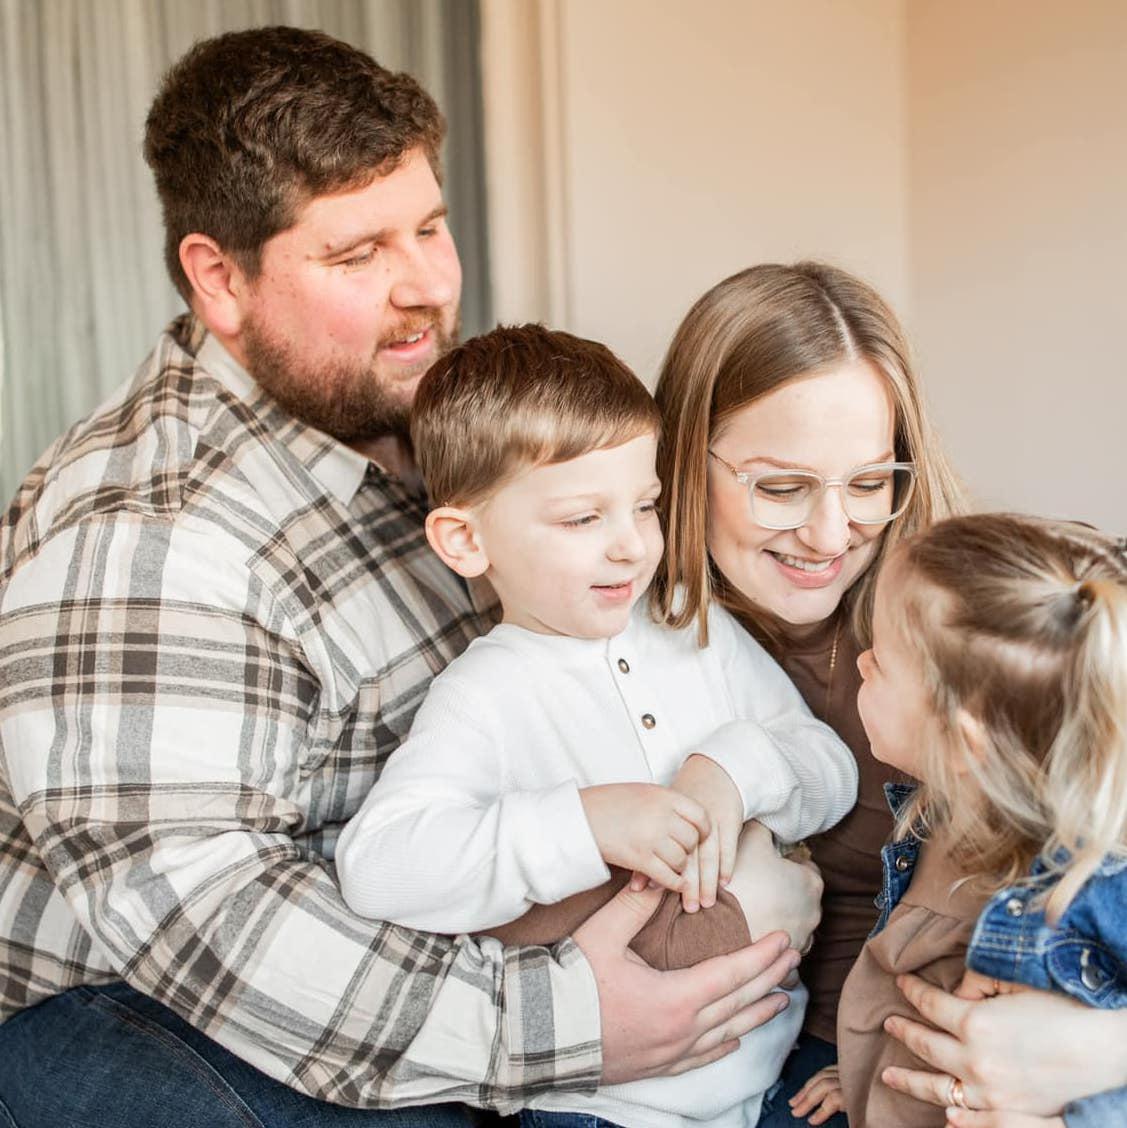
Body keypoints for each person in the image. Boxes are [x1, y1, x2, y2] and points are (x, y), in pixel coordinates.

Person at [0, 28, 799, 1127]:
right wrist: (569, 1025)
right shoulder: (151, 539)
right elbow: (205, 919)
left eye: (428, 226)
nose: (426, 285)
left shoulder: (414, 408)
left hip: (440, 938)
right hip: (146, 1023)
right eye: (357, 255)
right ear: (219, 279)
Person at [334, 323, 859, 1128]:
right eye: (582, 519)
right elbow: (378, 869)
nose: (631, 547)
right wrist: (583, 825)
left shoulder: (689, 625)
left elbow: (828, 767)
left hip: (769, 1084)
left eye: (645, 506)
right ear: (465, 540)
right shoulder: (485, 695)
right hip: (602, 1107)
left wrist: (730, 769)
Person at [653, 262, 1127, 1128]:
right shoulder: (605, 632)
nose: (830, 533)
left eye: (869, 484)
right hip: (758, 1066)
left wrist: (1104, 1052)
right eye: (780, 486)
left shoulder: (974, 630)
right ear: (685, 458)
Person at [831, 513, 1127, 1127]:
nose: (861, 663)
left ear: (964, 743)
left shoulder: (1092, 894)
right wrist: (864, 1066)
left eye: (881, 661)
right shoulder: (935, 817)